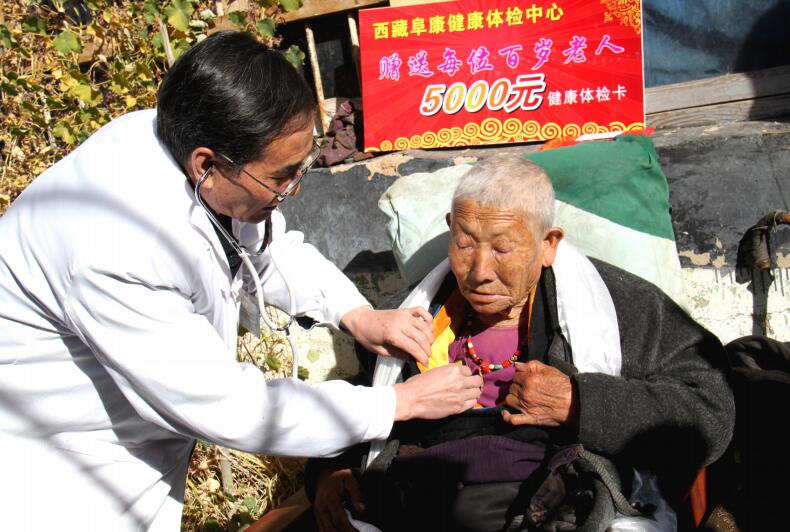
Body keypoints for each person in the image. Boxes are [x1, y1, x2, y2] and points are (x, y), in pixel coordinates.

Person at [0, 31, 483, 531]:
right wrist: (396, 404)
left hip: (126, 440)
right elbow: (230, 406)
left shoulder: (185, 142)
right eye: (281, 176)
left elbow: (265, 248)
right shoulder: (114, 247)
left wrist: (356, 313)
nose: (293, 190)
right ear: (206, 166)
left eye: (301, 168)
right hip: (58, 469)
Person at [307, 155, 736, 532]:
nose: (479, 271)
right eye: (464, 243)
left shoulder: (620, 307)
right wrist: (331, 469)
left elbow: (710, 416)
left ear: (548, 245)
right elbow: (364, 403)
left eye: (503, 249)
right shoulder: (413, 317)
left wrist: (579, 403)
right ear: (450, 230)